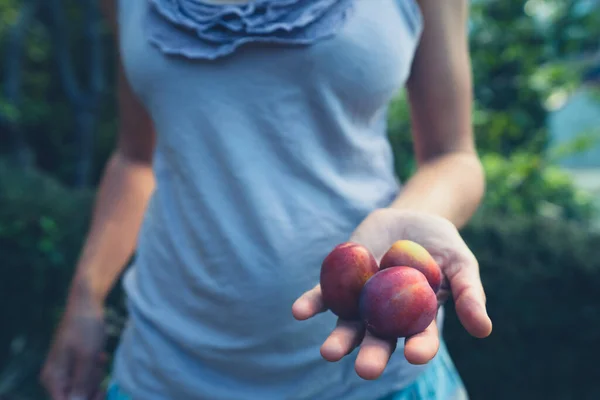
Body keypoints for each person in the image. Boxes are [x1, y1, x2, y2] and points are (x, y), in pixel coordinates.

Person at [40, 0, 493, 399]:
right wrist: (85, 296)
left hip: (371, 380)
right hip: (167, 370)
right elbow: (136, 158)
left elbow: (452, 155)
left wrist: (405, 218)